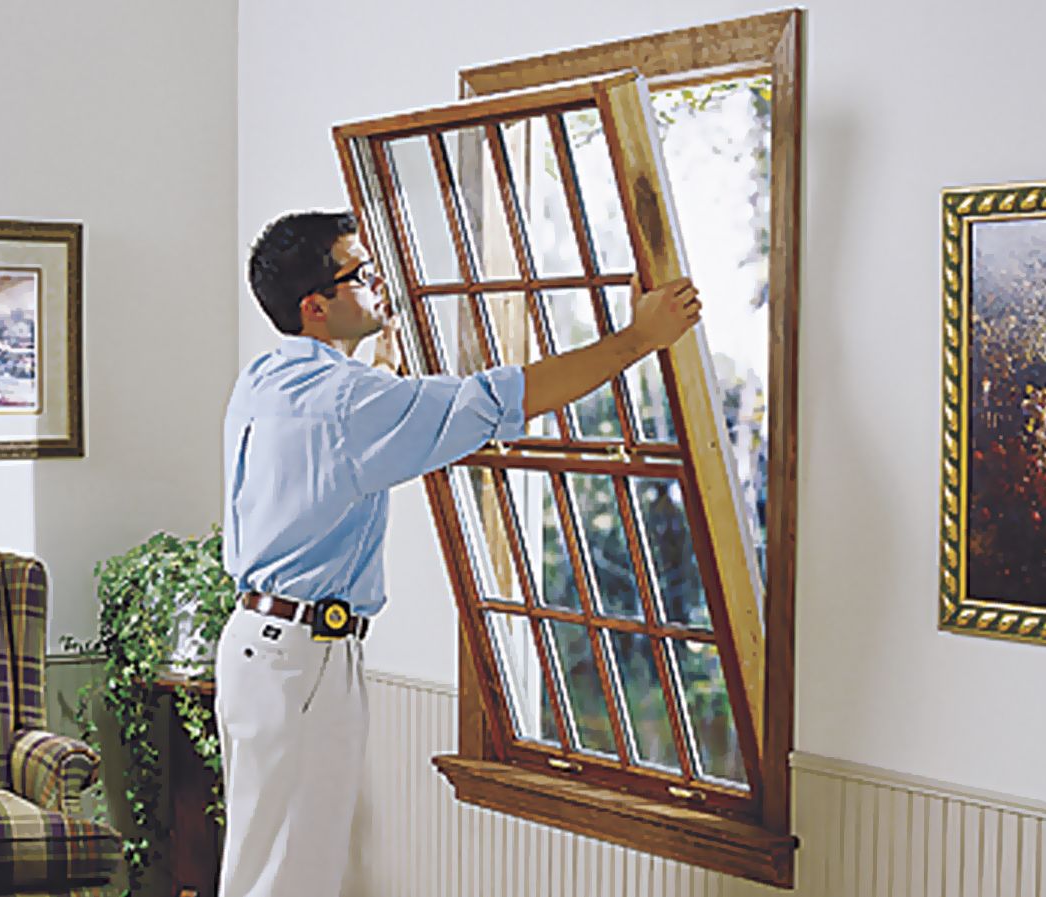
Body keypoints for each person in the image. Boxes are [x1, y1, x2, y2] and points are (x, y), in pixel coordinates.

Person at [215, 209, 701, 897]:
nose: (377, 281)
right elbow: (502, 397)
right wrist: (638, 339)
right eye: (360, 274)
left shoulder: (267, 380)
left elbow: (360, 417)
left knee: (262, 863)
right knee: (293, 876)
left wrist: (382, 360)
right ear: (315, 305)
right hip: (304, 660)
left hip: (257, 646)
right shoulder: (348, 404)